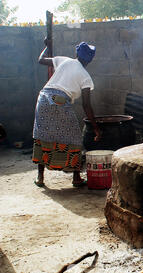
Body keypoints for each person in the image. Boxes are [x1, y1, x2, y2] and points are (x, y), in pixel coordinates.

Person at [32, 39, 101, 187]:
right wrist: (95, 128)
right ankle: (76, 178)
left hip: (43, 99)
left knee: (43, 137)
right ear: (90, 59)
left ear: (76, 53)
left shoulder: (64, 60)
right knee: (75, 138)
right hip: (60, 102)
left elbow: (41, 60)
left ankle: (40, 177)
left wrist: (46, 47)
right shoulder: (85, 76)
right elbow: (86, 105)